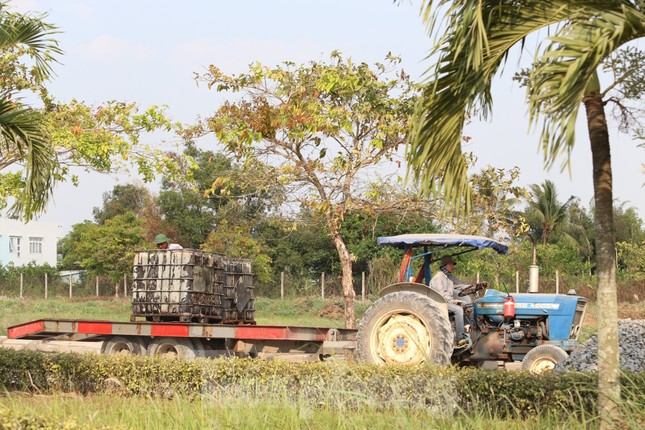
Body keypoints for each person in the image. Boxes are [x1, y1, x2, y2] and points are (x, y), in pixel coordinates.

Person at [429, 255, 469, 345]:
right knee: (458, 310)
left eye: (453, 264)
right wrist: (455, 302)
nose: (452, 266)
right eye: (450, 264)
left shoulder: (449, 277)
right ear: (444, 265)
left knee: (468, 305)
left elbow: (461, 285)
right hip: (439, 303)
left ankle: (467, 330)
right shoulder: (438, 277)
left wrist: (474, 286)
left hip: (447, 302)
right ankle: (460, 338)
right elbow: (441, 296)